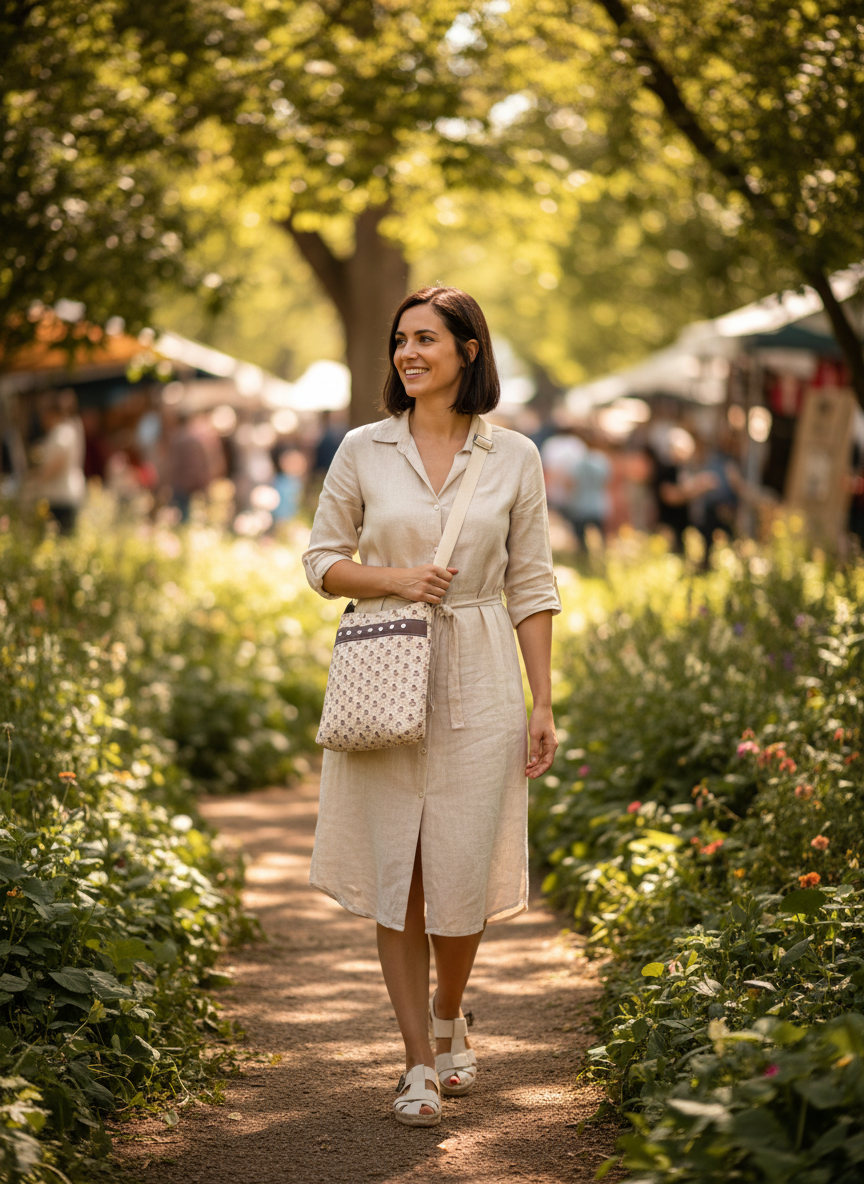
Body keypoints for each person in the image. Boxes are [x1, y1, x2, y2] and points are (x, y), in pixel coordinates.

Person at [302, 286, 561, 1127]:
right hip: (387, 666)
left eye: (426, 340)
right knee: (400, 874)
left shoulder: (515, 455)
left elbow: (532, 584)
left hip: (484, 671)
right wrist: (395, 579)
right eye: (401, 341)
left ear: (468, 351)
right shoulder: (363, 449)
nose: (409, 354)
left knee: (459, 869)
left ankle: (452, 1008)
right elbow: (320, 559)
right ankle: (416, 1059)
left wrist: (543, 700)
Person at [28, 393, 86, 534]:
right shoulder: (65, 430)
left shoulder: (62, 433)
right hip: (62, 494)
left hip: (61, 496)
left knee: (61, 541)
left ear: (51, 413)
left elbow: (55, 466)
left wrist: (34, 480)